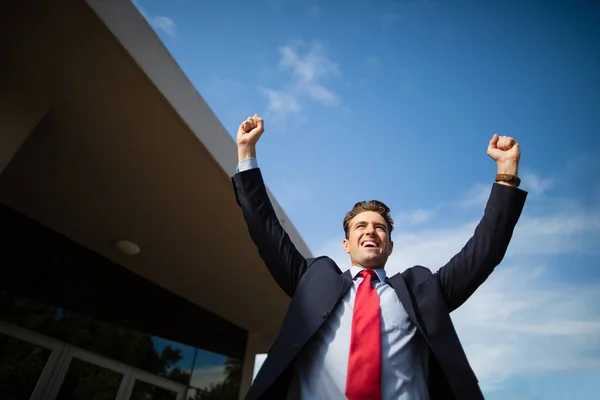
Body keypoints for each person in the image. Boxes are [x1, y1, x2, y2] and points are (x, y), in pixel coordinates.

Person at [232, 114, 527, 400]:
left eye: (380, 228)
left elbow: (482, 252)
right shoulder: (311, 281)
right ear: (346, 244)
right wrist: (247, 153)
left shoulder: (423, 291)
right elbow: (266, 230)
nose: (370, 231)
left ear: (390, 245)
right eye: (361, 226)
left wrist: (506, 174)